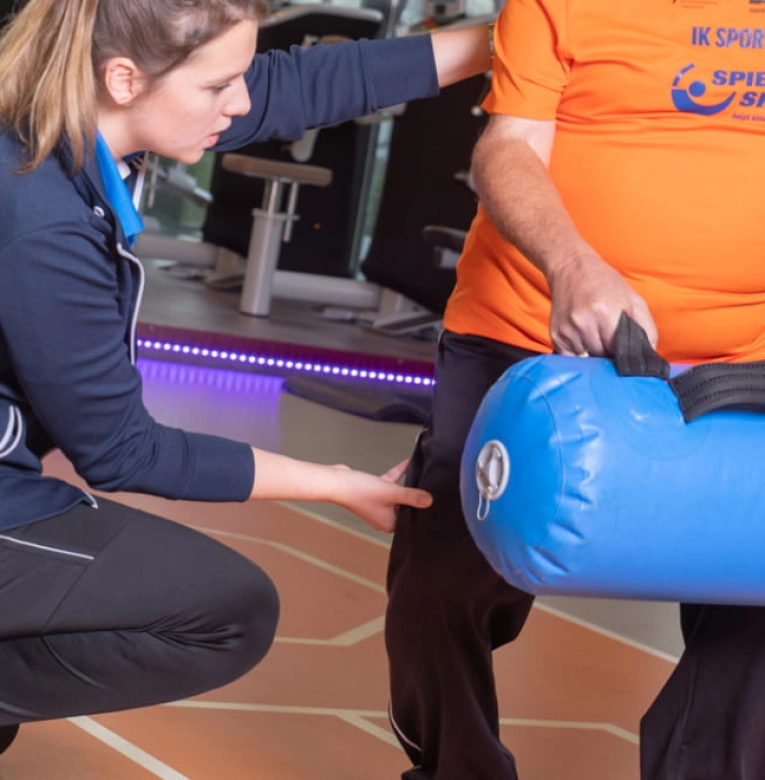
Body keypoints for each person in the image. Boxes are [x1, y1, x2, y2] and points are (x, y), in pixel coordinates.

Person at [0, 0, 494, 759]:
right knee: (225, 609)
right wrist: (336, 482)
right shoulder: (39, 214)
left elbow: (306, 83)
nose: (240, 105)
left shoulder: (57, 112)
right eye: (219, 87)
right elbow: (123, 452)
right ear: (124, 78)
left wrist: (507, 41)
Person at [385, 1, 765, 778]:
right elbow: (508, 148)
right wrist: (572, 265)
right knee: (445, 559)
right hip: (533, 324)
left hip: (744, 345)